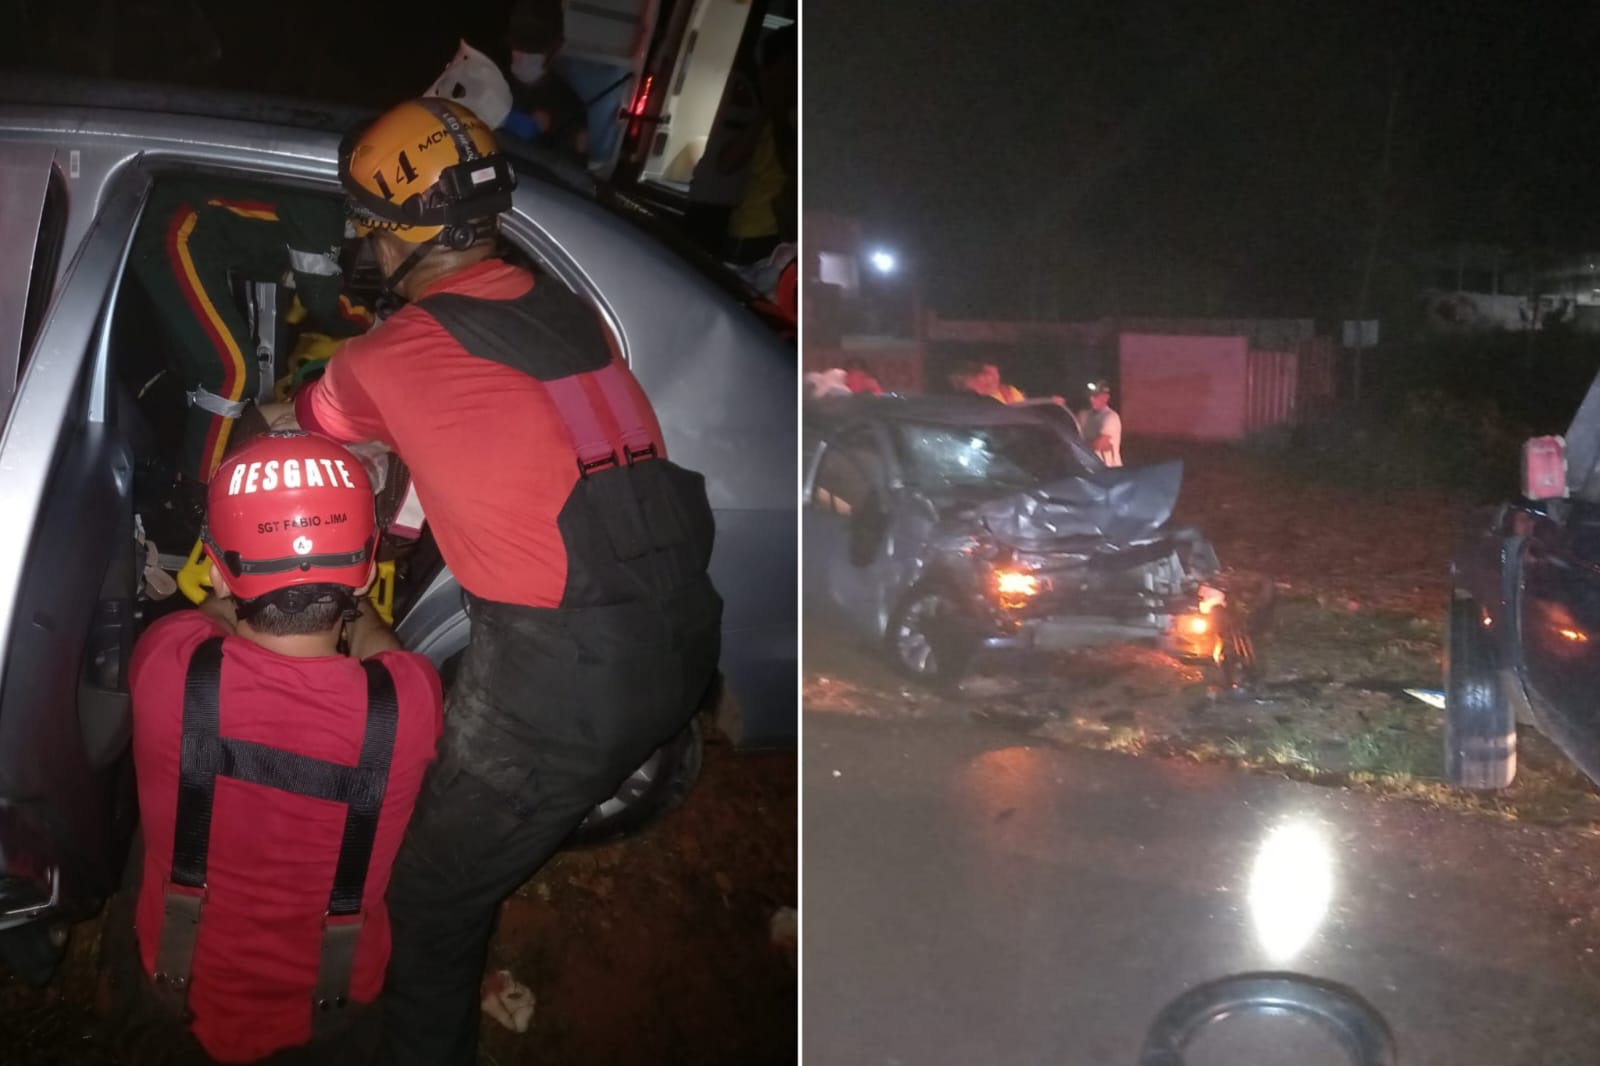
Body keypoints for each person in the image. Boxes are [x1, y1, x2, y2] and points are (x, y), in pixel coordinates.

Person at [262, 97, 723, 1066]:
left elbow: (311, 417)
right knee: (472, 808)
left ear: (395, 233)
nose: (361, 240)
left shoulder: (388, 354)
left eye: (365, 223)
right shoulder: (570, 311)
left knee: (429, 897)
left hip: (560, 688)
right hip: (679, 643)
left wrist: (277, 401)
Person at [111, 432, 443, 1064]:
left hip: (172, 995)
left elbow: (207, 615)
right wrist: (359, 614)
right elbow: (384, 649)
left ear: (216, 564)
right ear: (368, 567)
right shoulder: (408, 703)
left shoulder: (166, 662)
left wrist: (233, 586)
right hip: (330, 1012)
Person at [129, 180, 374, 491]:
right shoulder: (324, 204)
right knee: (232, 372)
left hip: (193, 237)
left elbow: (258, 244)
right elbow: (322, 301)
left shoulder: (328, 204)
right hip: (174, 229)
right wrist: (377, 325)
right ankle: (200, 491)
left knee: (202, 373)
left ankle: (183, 469)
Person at [723, 24, 797, 264]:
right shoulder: (768, 116)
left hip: (774, 240)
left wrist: (777, 110)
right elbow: (726, 163)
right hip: (741, 230)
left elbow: (791, 164)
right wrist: (769, 108)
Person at [498, 0, 589, 164]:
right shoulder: (490, 80)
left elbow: (573, 171)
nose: (524, 55)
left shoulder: (570, 107)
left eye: (534, 49)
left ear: (556, 49)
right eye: (519, 46)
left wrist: (550, 130)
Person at [1078, 378, 1124, 466]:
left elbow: (1098, 445)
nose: (1092, 399)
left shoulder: (1111, 417)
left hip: (1109, 470)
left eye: (1096, 396)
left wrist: (1076, 446)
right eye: (1090, 396)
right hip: (1089, 468)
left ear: (1106, 397)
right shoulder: (1083, 414)